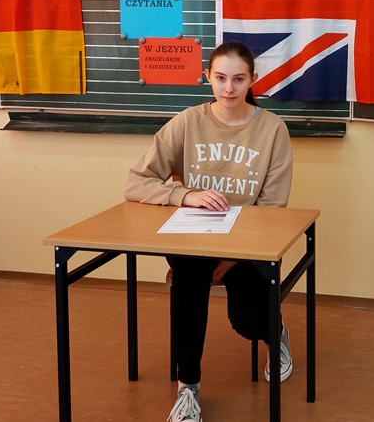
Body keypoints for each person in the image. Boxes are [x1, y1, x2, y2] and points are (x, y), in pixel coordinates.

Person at [124, 41, 294, 422]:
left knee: (248, 320)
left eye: (239, 79)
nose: (229, 89)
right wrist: (185, 195)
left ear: (253, 79)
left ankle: (276, 333)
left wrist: (231, 259)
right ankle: (188, 388)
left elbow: (272, 208)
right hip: (194, 239)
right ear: (208, 78)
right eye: (220, 78)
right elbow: (136, 182)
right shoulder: (188, 121)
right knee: (188, 282)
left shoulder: (273, 130)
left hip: (247, 244)